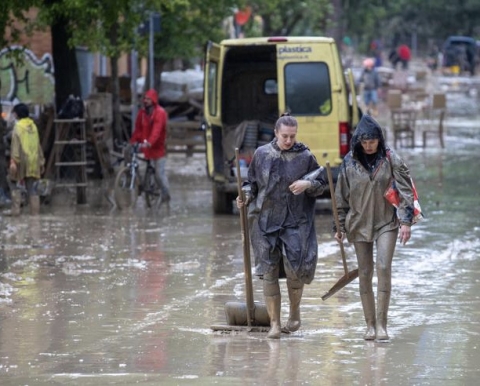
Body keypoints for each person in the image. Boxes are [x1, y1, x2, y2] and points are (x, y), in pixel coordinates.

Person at [236, 113, 327, 339]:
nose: (289, 140)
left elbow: (322, 184)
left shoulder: (305, 156)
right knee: (269, 271)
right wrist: (245, 196)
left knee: (296, 268)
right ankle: (275, 323)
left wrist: (307, 183)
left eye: (292, 136)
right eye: (285, 136)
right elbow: (251, 184)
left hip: (295, 221)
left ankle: (294, 313)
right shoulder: (261, 154)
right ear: (276, 133)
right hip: (265, 220)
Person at [333, 114, 416, 342]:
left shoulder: (390, 159)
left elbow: (406, 189)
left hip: (386, 222)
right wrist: (338, 226)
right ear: (358, 141)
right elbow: (340, 198)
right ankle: (369, 325)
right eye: (364, 142)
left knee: (383, 268)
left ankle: (382, 324)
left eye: (372, 141)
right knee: (365, 273)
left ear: (379, 139)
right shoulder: (349, 162)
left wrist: (406, 221)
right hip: (358, 224)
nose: (368, 146)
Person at [130, 88, 170, 203]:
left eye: (148, 99)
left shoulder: (160, 113)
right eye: (145, 98)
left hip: (158, 148)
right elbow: (138, 129)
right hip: (146, 147)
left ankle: (166, 195)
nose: (145, 101)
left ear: (153, 100)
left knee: (159, 174)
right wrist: (133, 142)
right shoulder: (142, 114)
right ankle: (142, 186)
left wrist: (150, 142)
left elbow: (156, 131)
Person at [5, 103, 45, 216]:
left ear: (17, 114)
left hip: (21, 160)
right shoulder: (33, 126)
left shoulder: (18, 127)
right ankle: (35, 215)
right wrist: (41, 162)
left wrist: (13, 161)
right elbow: (38, 145)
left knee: (12, 181)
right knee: (31, 188)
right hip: (33, 160)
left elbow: (15, 146)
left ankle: (16, 211)